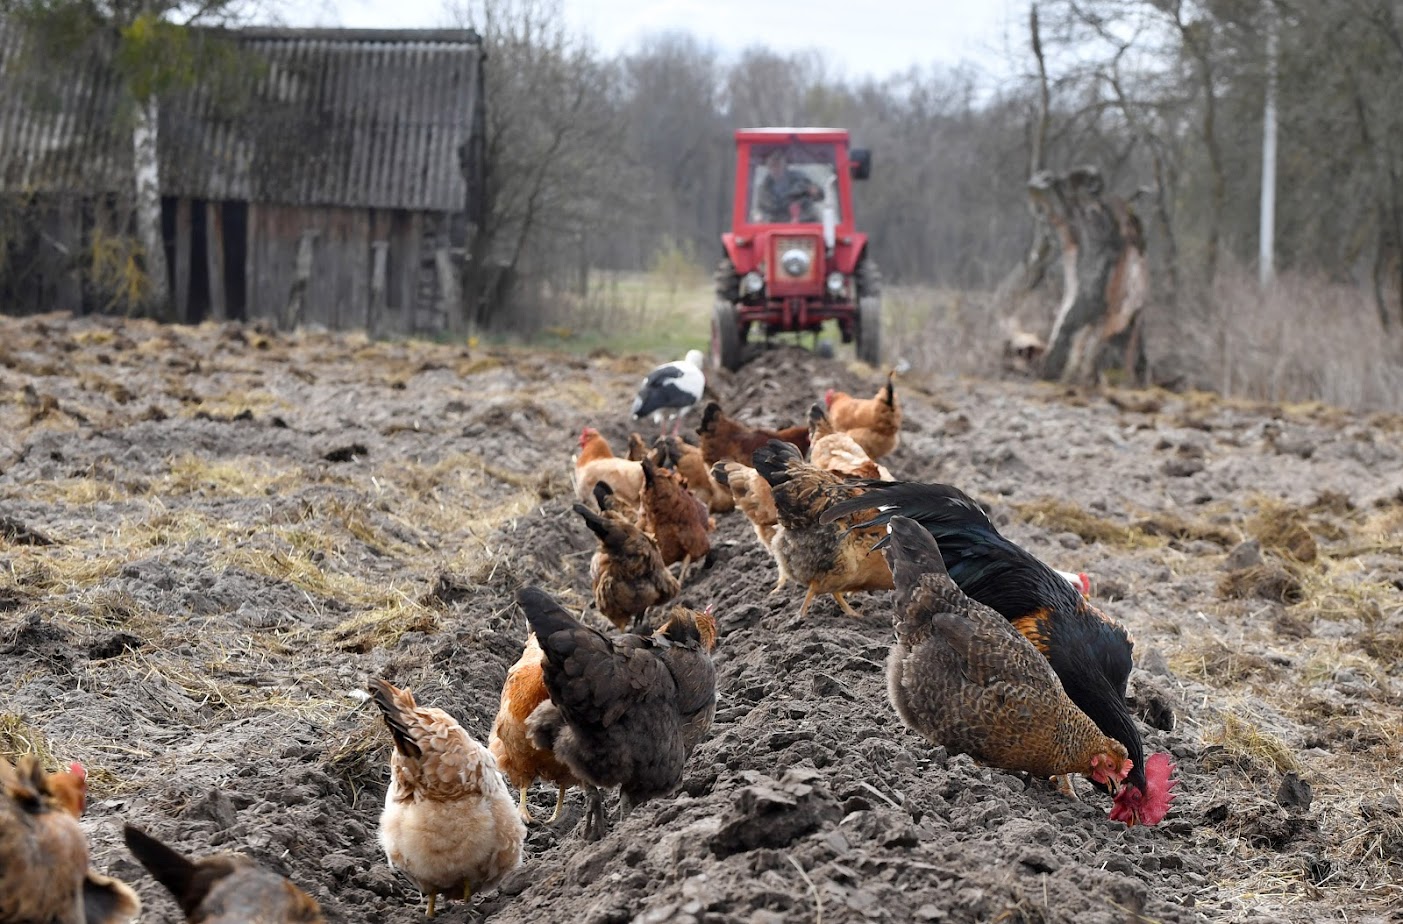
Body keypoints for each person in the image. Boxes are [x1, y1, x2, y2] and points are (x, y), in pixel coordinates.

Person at [756, 149, 823, 222]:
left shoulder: (799, 179)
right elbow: (762, 211)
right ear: (768, 167)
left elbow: (819, 196)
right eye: (772, 166)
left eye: (778, 165)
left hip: (805, 222)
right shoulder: (764, 189)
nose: (775, 169)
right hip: (776, 225)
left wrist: (815, 191)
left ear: (785, 165)